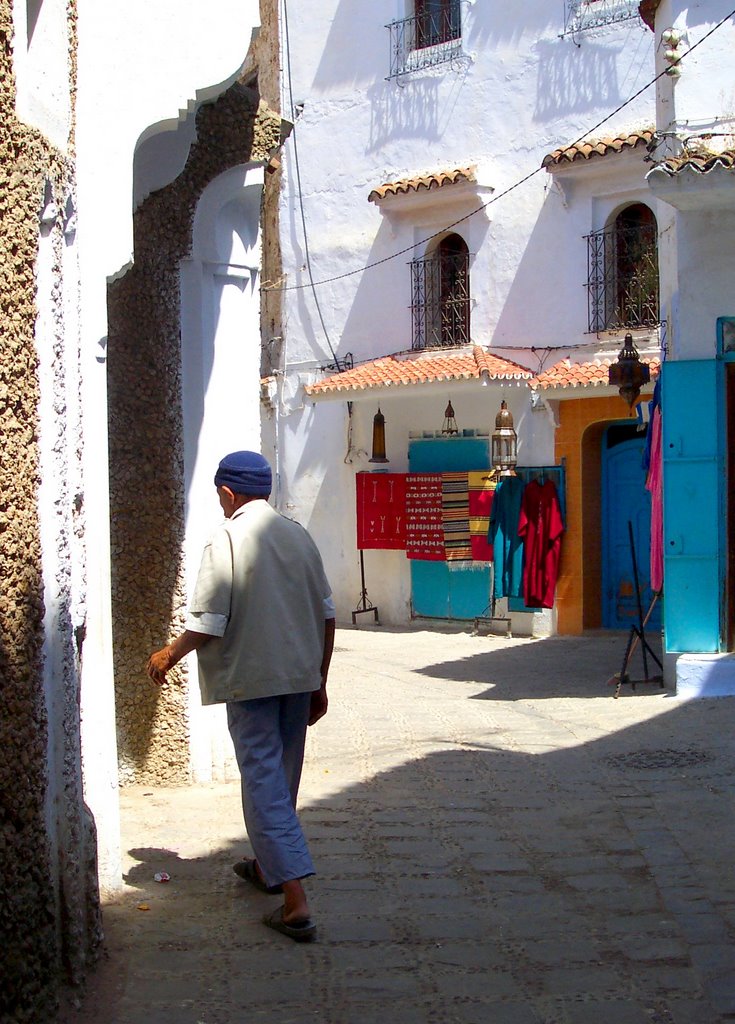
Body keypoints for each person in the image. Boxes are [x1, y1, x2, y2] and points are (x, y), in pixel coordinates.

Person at [147, 450, 335, 943]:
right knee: (281, 780)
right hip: (298, 678)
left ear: (229, 493)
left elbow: (208, 623)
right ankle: (266, 866)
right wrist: (321, 679)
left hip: (253, 682)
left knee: (264, 783)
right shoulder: (298, 536)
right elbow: (327, 615)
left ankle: (294, 900)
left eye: (218, 495)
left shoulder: (226, 537)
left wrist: (169, 653)